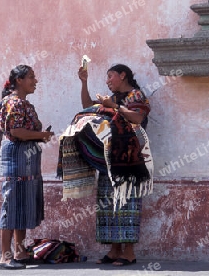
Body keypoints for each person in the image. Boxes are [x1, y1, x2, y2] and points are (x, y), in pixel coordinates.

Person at [77, 63, 152, 266]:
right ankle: (113, 250)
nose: (108, 80)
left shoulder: (135, 96)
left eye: (111, 76)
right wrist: (84, 83)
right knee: (108, 206)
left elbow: (137, 117)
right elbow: (87, 108)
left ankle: (129, 253)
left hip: (130, 160)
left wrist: (115, 106)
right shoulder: (112, 100)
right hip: (108, 160)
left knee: (127, 205)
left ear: (123, 75)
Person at [0, 65, 54, 270]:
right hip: (16, 156)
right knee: (12, 202)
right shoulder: (14, 103)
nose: (35, 80)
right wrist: (42, 136)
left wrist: (41, 136)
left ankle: (20, 252)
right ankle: (5, 256)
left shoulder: (25, 104)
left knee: (21, 203)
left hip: (27, 158)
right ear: (19, 80)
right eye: (31, 77)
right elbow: (17, 131)